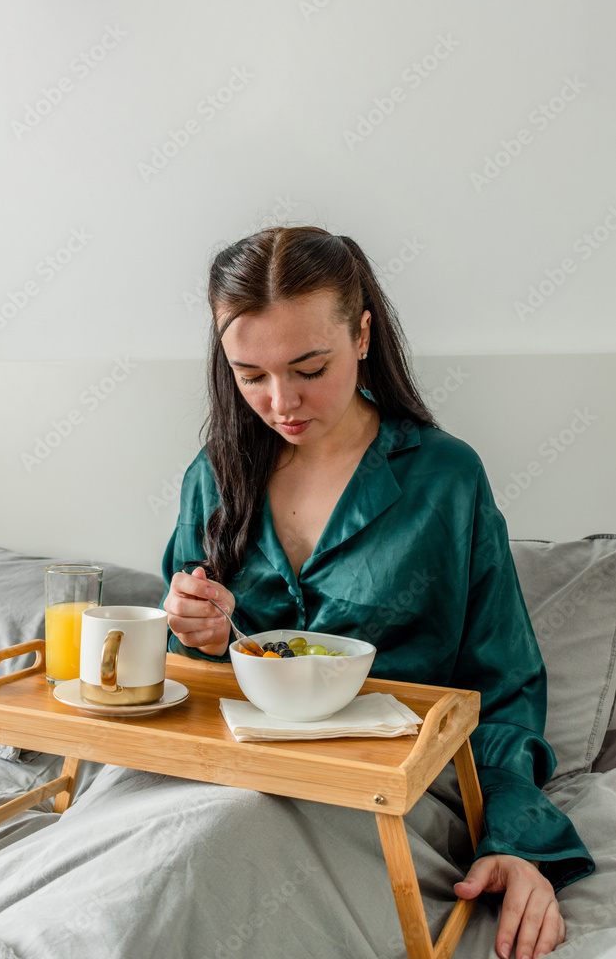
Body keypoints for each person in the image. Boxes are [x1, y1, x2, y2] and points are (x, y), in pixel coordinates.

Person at [162, 225, 595, 959]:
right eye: (250, 374)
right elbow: (184, 677)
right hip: (225, 770)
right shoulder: (214, 474)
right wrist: (193, 634)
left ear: (361, 336)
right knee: (154, 861)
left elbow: (502, 687)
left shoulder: (444, 480)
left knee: (213, 856)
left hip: (387, 786)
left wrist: (519, 845)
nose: (279, 400)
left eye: (308, 367)